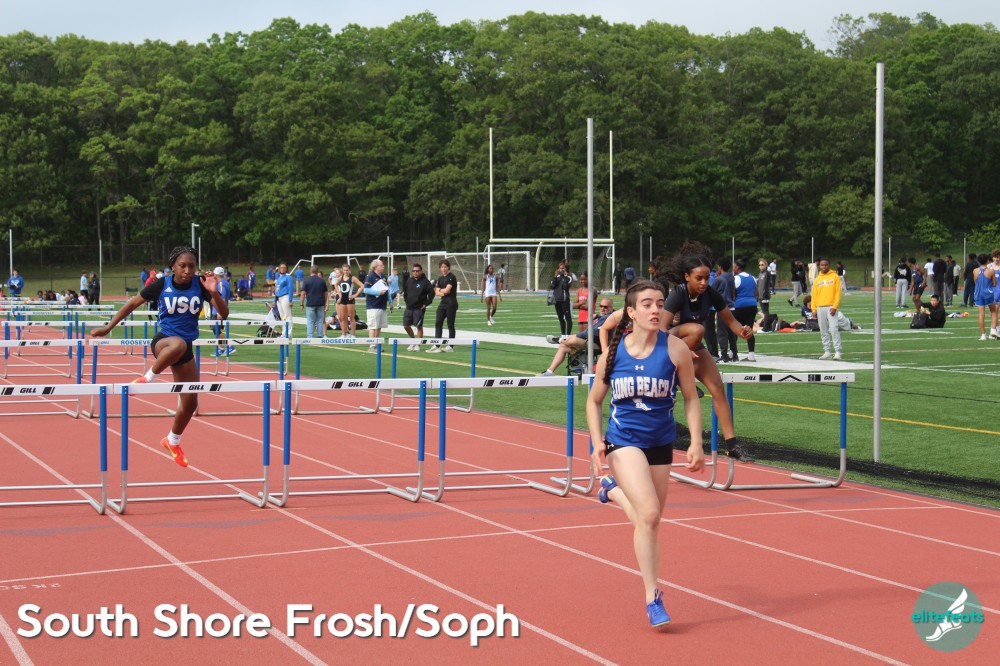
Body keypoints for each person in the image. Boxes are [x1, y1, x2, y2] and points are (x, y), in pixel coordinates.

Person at [586, 279, 704, 628]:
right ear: (631, 312)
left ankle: (613, 491)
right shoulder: (613, 354)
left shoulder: (675, 349)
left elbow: (691, 398)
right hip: (623, 441)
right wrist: (597, 442)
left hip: (660, 443)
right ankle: (653, 597)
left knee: (649, 521)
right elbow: (593, 401)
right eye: (648, 304)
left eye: (660, 304)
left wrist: (695, 442)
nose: (656, 310)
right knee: (649, 512)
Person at [599, 245, 755, 462]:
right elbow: (661, 330)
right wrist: (680, 352)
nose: (704, 283)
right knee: (697, 329)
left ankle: (731, 445)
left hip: (692, 348)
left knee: (718, 388)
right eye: (699, 278)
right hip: (666, 344)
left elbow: (731, 321)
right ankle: (680, 377)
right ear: (687, 277)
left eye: (706, 278)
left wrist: (743, 331)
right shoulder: (678, 294)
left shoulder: (711, 294)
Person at [89, 246, 229, 468]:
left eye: (191, 266)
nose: (187, 270)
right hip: (164, 342)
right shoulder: (161, 284)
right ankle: (147, 378)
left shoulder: (200, 284)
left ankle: (172, 441)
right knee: (178, 343)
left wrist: (213, 291)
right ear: (173, 266)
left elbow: (224, 313)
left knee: (190, 403)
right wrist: (108, 328)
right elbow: (132, 304)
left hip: (185, 349)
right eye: (182, 266)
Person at [540, 298, 615, 375]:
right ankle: (550, 371)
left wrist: (577, 335)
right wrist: (598, 316)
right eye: (601, 306)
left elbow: (593, 332)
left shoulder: (609, 317)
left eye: (605, 307)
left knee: (573, 339)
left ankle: (559, 339)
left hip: (599, 345)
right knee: (563, 346)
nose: (602, 308)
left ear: (611, 307)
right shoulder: (606, 316)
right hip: (592, 342)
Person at [812, 258, 843, 360]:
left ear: (829, 265)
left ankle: (838, 351)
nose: (824, 267)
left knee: (834, 329)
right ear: (819, 266)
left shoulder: (835, 276)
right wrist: (814, 309)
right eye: (822, 265)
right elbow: (814, 295)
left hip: (831, 307)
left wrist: (835, 306)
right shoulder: (817, 279)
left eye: (826, 265)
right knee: (823, 330)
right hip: (820, 307)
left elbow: (838, 293)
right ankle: (827, 351)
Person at [427, 259, 458, 353]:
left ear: (448, 267)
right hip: (443, 303)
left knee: (450, 324)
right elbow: (437, 292)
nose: (443, 268)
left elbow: (447, 290)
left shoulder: (452, 277)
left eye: (445, 267)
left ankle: (450, 346)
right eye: (442, 267)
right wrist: (442, 292)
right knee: (438, 322)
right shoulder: (440, 278)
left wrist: (441, 291)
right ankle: (437, 345)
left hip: (451, 303)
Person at [402, 263, 435, 349]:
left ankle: (418, 345)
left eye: (417, 271)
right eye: (413, 271)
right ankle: (413, 341)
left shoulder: (425, 282)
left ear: (421, 271)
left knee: (419, 326)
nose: (415, 272)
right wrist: (407, 302)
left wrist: (426, 304)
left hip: (419, 308)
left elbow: (432, 294)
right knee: (406, 326)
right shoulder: (409, 280)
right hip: (409, 307)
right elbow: (405, 292)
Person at [713, 258, 738, 362]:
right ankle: (734, 354)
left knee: (722, 332)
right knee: (731, 332)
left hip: (723, 308)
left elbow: (712, 292)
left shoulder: (718, 279)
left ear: (720, 266)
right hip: (732, 306)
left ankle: (724, 355)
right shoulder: (732, 277)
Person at [362, 259, 390, 350]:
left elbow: (387, 289)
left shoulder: (383, 276)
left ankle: (376, 344)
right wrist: (378, 292)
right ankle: (372, 345)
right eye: (381, 265)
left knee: (379, 326)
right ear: (376, 267)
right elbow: (366, 290)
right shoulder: (370, 277)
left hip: (382, 305)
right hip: (373, 305)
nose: (383, 267)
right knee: (373, 326)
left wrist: (390, 301)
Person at [299, 265, 330, 338]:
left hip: (310, 303)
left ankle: (310, 336)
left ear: (310, 271)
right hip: (320, 303)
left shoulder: (306, 281)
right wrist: (325, 303)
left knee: (310, 320)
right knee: (320, 320)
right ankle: (320, 335)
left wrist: (301, 304)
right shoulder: (322, 281)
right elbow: (325, 293)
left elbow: (303, 293)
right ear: (317, 271)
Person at [334, 264, 364, 338]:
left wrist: (355, 295)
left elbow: (362, 286)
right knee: (343, 317)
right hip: (343, 299)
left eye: (347, 270)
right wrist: (339, 293)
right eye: (344, 270)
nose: (345, 272)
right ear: (342, 270)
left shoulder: (352, 278)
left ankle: (353, 335)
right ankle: (344, 334)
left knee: (351, 317)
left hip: (350, 299)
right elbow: (335, 284)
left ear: (349, 270)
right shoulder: (341, 277)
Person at [972, 253, 997, 340]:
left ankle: (983, 335)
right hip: (988, 293)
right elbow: (994, 283)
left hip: (978, 293)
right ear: (987, 260)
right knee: (993, 312)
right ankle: (993, 330)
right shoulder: (991, 271)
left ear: (978, 261)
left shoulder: (975, 271)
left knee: (981, 314)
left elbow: (975, 281)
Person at [550, 261, 573, 336]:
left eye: (563, 268)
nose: (561, 270)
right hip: (557, 299)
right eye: (560, 268)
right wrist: (555, 277)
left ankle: (568, 334)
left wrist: (565, 277)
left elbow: (566, 287)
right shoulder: (557, 277)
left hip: (564, 299)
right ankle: (563, 334)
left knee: (567, 317)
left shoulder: (569, 277)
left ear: (566, 269)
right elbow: (552, 286)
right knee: (560, 317)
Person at [273, 263, 294, 333]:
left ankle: (289, 333)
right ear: (279, 269)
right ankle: (284, 332)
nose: (282, 269)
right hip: (279, 299)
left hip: (285, 297)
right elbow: (276, 289)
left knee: (287, 315)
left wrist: (290, 300)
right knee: (282, 316)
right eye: (281, 267)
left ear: (286, 269)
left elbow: (291, 288)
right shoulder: (279, 278)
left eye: (284, 267)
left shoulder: (288, 277)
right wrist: (275, 300)